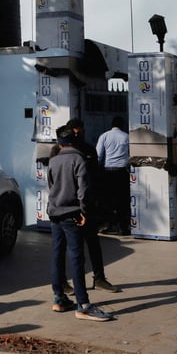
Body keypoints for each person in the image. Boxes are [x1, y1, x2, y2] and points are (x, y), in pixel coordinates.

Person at [47, 123, 114, 322]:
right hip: (72, 214)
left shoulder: (53, 161)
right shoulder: (79, 159)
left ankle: (59, 298)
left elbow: (51, 186)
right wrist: (84, 211)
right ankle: (83, 305)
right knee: (77, 258)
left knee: (57, 255)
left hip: (55, 213)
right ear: (75, 140)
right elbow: (83, 190)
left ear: (60, 142)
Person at [61, 120, 120, 293]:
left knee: (93, 242)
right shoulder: (61, 152)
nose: (78, 135)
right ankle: (64, 283)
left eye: (80, 131)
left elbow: (95, 176)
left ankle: (99, 278)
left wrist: (96, 202)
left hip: (88, 205)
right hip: (69, 206)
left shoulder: (88, 150)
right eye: (75, 132)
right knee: (66, 247)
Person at [96, 116, 131, 235]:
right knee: (122, 200)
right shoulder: (127, 136)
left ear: (112, 125)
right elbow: (131, 154)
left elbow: (98, 155)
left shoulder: (104, 136)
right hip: (122, 172)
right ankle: (123, 227)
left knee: (108, 200)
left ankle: (110, 226)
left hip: (108, 172)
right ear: (122, 125)